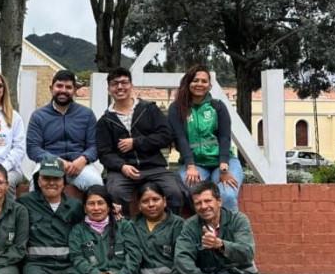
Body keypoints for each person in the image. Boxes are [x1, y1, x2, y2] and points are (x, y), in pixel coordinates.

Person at [96, 67, 185, 215]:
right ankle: (125, 227)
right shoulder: (105, 121)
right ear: (109, 89)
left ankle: (171, 227)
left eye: (124, 82)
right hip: (122, 171)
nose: (120, 87)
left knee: (174, 192)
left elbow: (166, 136)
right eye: (115, 84)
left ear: (131, 85)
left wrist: (136, 142)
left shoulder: (149, 109)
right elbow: (104, 153)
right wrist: (122, 166)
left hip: (154, 167)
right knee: (115, 193)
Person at [168, 64, 242, 211]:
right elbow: (180, 138)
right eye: (195, 80)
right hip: (195, 164)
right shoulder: (177, 108)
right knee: (191, 192)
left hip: (222, 162)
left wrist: (224, 167)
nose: (199, 84)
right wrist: (190, 166)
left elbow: (225, 137)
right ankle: (205, 225)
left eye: (204, 81)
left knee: (227, 195)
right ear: (188, 83)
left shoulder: (217, 106)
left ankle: (230, 226)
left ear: (209, 85)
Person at [27, 69, 103, 191]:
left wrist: (83, 159)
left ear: (74, 90)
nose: (63, 90)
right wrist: (56, 161)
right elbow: (33, 148)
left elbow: (95, 145)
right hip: (49, 163)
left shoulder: (87, 114)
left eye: (68, 87)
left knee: (96, 184)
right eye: (59, 86)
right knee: (35, 184)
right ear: (51, 88)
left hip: (79, 165)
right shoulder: (38, 116)